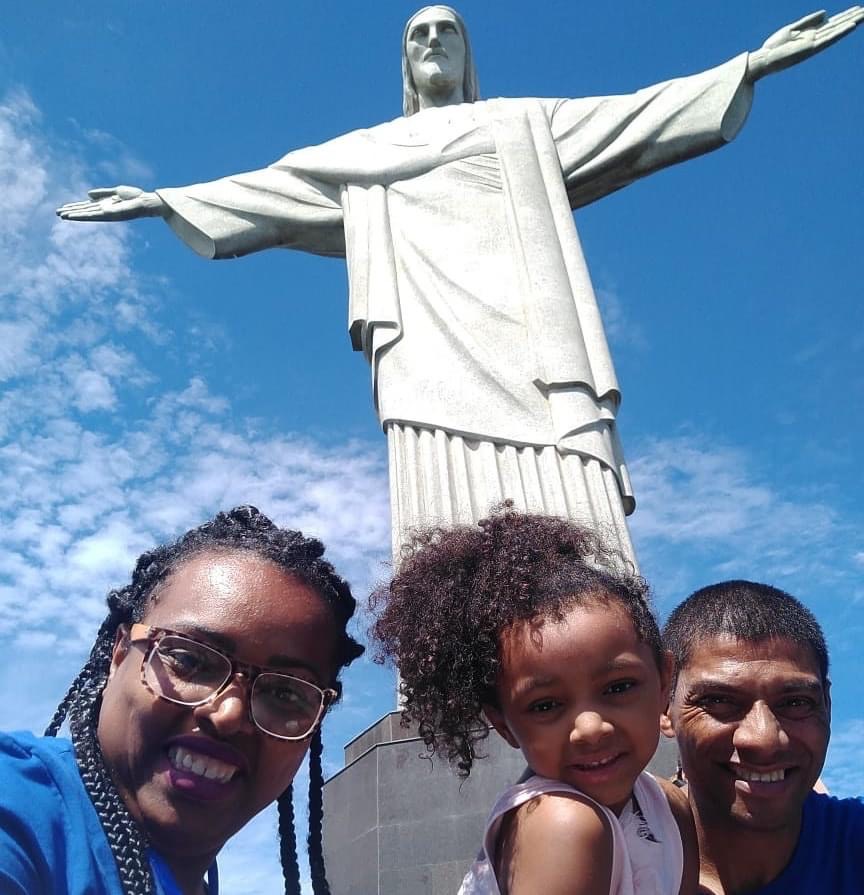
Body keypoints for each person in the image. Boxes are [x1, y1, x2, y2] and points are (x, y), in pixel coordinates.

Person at [55, 7, 864, 564]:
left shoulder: (520, 124)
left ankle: (597, 644)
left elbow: (638, 117)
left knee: (569, 498)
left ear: (467, 53)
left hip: (535, 345)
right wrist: (164, 200)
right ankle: (450, 663)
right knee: (444, 507)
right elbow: (268, 190)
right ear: (405, 61)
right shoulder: (364, 150)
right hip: (428, 350)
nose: (435, 39)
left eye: (448, 30)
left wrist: (750, 64)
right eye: (419, 34)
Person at [0, 505, 364, 895]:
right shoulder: (18, 806)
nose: (228, 713)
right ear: (118, 654)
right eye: (189, 659)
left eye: (286, 692)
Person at [370, 507, 697, 895]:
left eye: (618, 687)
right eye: (545, 706)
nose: (590, 728)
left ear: (664, 682)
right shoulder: (563, 823)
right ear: (504, 724)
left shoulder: (670, 807)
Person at [660, 580, 863, 895]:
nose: (764, 739)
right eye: (719, 701)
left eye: (795, 703)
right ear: (664, 707)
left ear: (827, 705)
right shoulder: (615, 866)